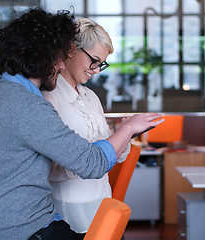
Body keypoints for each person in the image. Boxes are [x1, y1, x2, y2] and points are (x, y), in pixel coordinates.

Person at [0, 8, 163, 240]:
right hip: (28, 231)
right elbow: (91, 163)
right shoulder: (29, 105)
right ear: (40, 56)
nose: (61, 66)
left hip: (25, 225)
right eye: (58, 58)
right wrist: (128, 129)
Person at [42, 18, 130, 234]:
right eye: (95, 61)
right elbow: (44, 166)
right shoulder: (48, 98)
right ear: (71, 50)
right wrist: (90, 160)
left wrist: (123, 134)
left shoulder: (91, 97)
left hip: (101, 203)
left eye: (102, 64)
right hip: (70, 210)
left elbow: (114, 156)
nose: (97, 70)